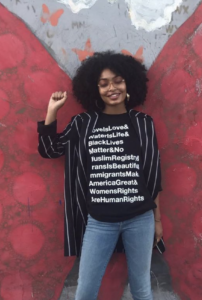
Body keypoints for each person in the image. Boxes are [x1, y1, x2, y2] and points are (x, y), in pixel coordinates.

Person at [37, 51, 163, 300]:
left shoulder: (142, 123)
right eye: (103, 84)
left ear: (129, 84)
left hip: (140, 219)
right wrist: (52, 112)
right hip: (99, 222)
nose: (111, 88)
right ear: (95, 90)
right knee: (85, 292)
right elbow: (50, 150)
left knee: (141, 289)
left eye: (118, 81)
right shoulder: (83, 123)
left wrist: (157, 220)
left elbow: (152, 175)